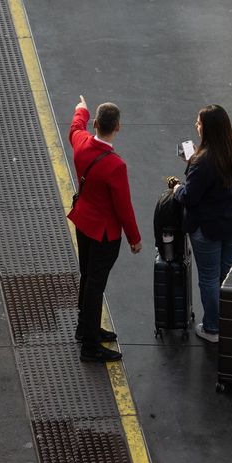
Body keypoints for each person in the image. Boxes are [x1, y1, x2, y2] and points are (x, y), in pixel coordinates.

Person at [67, 95, 142, 362]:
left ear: (96, 123)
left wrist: (81, 110)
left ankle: (85, 328)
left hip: (83, 223)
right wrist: (135, 238)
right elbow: (124, 207)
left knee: (87, 278)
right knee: (95, 285)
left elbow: (75, 128)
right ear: (118, 127)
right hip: (105, 234)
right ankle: (90, 345)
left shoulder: (81, 144)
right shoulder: (115, 165)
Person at [173, 105, 232, 343]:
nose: (196, 126)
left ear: (207, 128)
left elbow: (190, 196)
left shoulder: (203, 161)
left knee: (208, 277)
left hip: (207, 228)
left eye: (199, 123)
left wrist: (177, 188)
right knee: (227, 276)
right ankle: (229, 322)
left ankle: (213, 328)